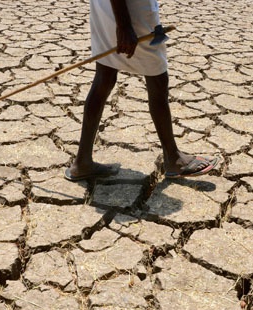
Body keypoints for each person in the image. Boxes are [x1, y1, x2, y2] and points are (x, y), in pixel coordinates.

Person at [64, 0, 219, 181]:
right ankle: (173, 158)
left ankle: (82, 162)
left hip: (106, 7)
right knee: (157, 78)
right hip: (131, 11)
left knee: (104, 76)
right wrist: (124, 25)